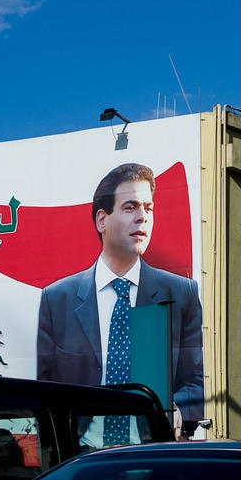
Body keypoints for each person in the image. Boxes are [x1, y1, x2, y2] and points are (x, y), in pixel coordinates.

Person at [36, 162, 203, 444]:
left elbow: (196, 382)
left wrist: (177, 409)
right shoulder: (57, 299)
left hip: (155, 453)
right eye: (130, 207)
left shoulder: (180, 293)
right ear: (102, 220)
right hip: (82, 456)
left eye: (148, 208)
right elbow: (44, 391)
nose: (143, 218)